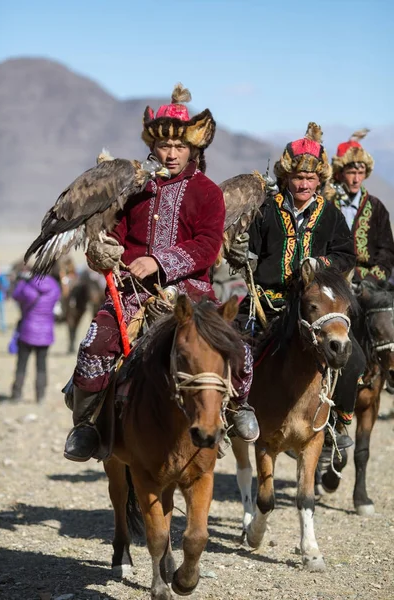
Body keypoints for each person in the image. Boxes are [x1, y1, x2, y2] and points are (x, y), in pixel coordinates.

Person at [64, 83, 258, 463]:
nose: (170, 154)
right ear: (152, 146)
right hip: (133, 292)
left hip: (191, 292)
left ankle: (237, 410)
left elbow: (206, 245)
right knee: (95, 342)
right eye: (164, 147)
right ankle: (86, 424)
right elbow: (114, 234)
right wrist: (103, 252)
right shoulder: (135, 187)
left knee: (237, 347)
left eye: (179, 148)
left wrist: (160, 261)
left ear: (193, 150)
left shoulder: (207, 193)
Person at [228, 123, 364, 447]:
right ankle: (235, 411)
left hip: (312, 306)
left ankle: (334, 425)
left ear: (320, 181)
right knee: (232, 345)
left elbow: (347, 254)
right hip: (267, 300)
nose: (304, 184)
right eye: (298, 178)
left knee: (355, 357)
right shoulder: (266, 209)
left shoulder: (329, 214)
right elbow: (249, 248)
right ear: (287, 177)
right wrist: (241, 254)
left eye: (310, 179)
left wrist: (322, 264)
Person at [325, 129, 394, 284]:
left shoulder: (377, 208)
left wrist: (372, 280)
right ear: (339, 174)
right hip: (333, 282)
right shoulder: (327, 207)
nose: (356, 179)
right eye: (351, 172)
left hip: (368, 282)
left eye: (361, 172)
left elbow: (387, 252)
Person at [8, 267, 61, 403]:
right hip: (46, 332)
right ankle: (40, 396)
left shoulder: (27, 287)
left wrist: (21, 282)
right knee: (41, 365)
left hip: (27, 331)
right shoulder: (54, 286)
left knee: (21, 364)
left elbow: (15, 295)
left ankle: (16, 394)